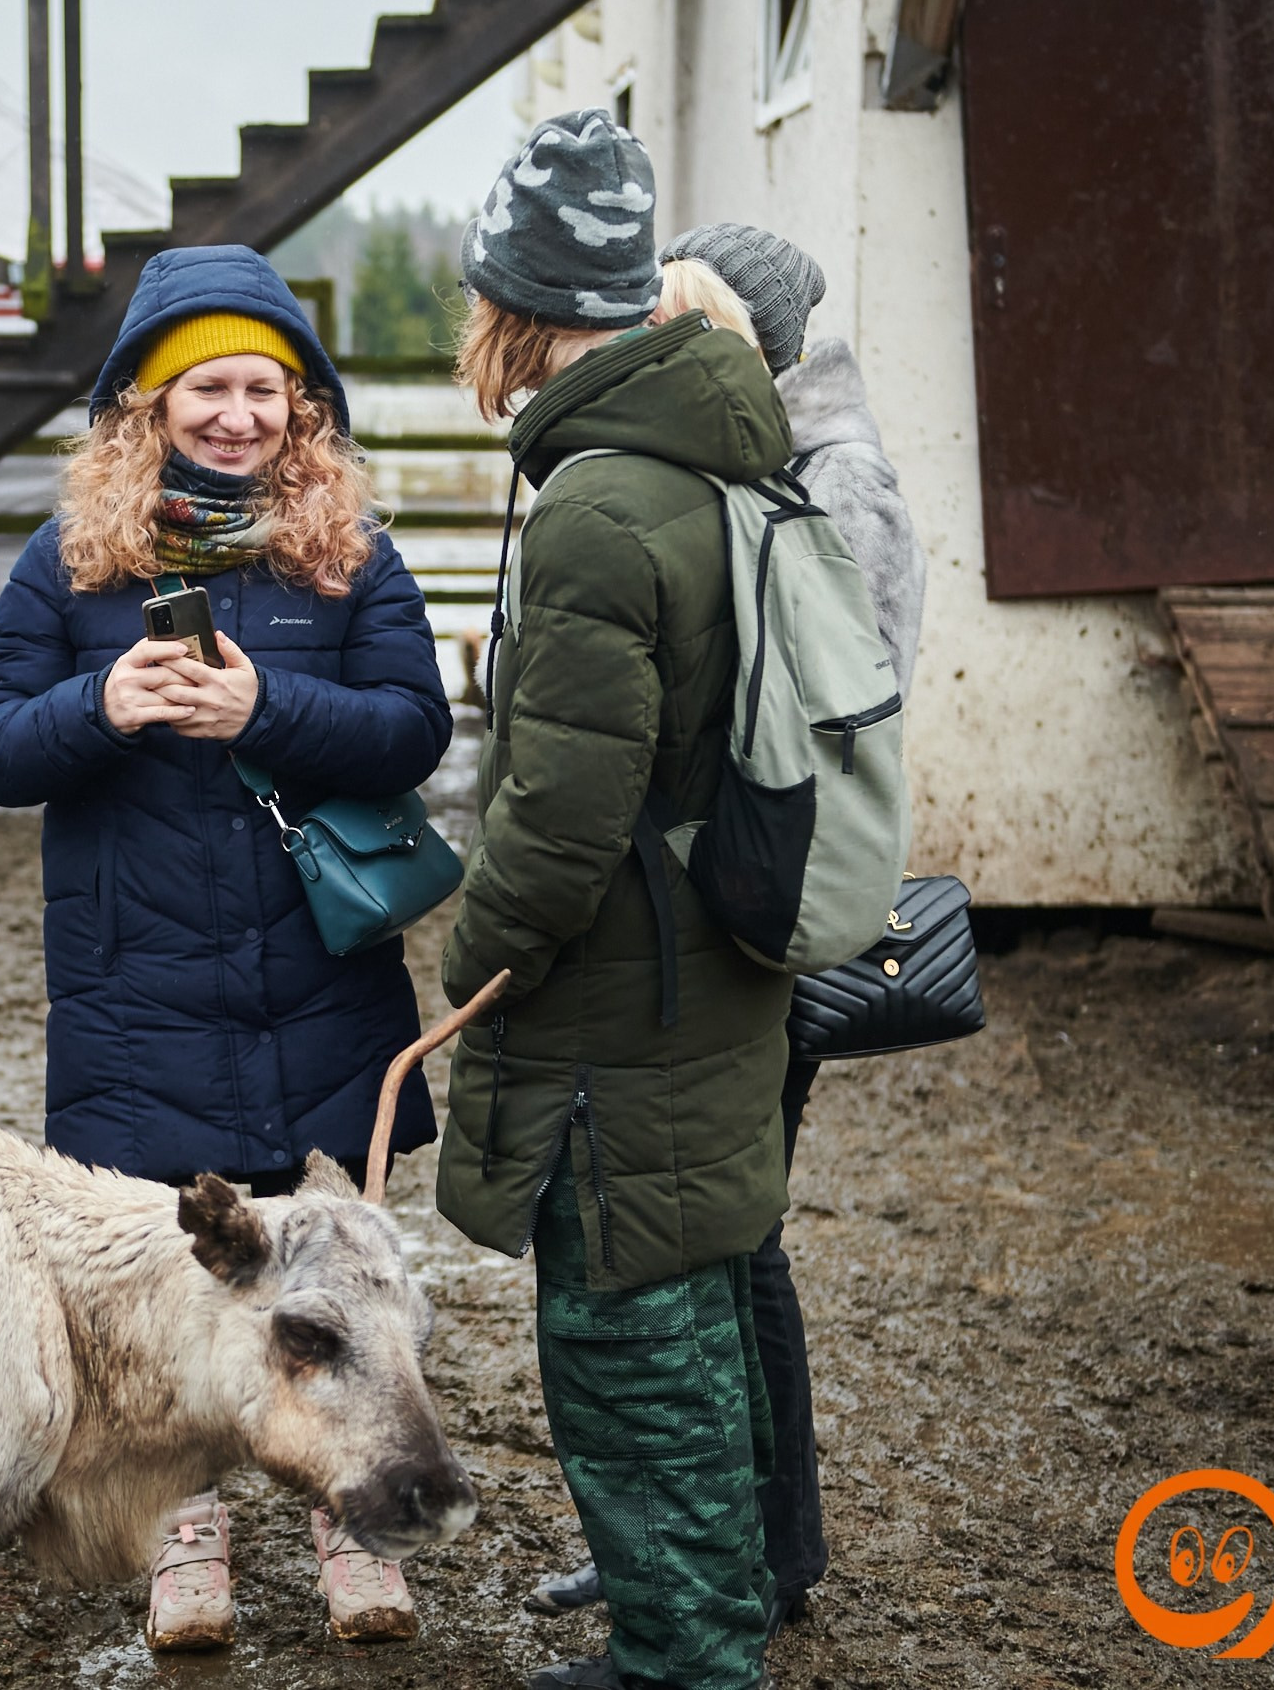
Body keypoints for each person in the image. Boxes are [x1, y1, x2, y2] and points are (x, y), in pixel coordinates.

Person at [0, 244, 453, 1652]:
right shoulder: (71, 561)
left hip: (317, 979)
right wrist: (100, 703)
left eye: (265, 391)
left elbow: (417, 725)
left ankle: (358, 1534)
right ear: (149, 405)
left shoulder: (349, 551)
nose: (239, 416)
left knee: (339, 1279)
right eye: (208, 389)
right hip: (139, 986)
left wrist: (266, 711)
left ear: (303, 408)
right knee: (181, 1293)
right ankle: (188, 1546)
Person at [434, 108, 794, 1690]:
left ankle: (681, 1664)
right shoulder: (710, 453)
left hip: (615, 999)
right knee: (696, 1310)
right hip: (713, 957)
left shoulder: (596, 506)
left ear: (513, 306)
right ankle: (703, 1629)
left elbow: (562, 812)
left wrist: (474, 953)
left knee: (627, 1348)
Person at [525, 227, 928, 1640]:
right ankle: (721, 1548)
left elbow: (832, 717)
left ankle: (763, 1551)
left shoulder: (833, 480)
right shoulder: (760, 458)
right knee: (726, 1245)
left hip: (768, 916)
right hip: (726, 908)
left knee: (731, 1247)